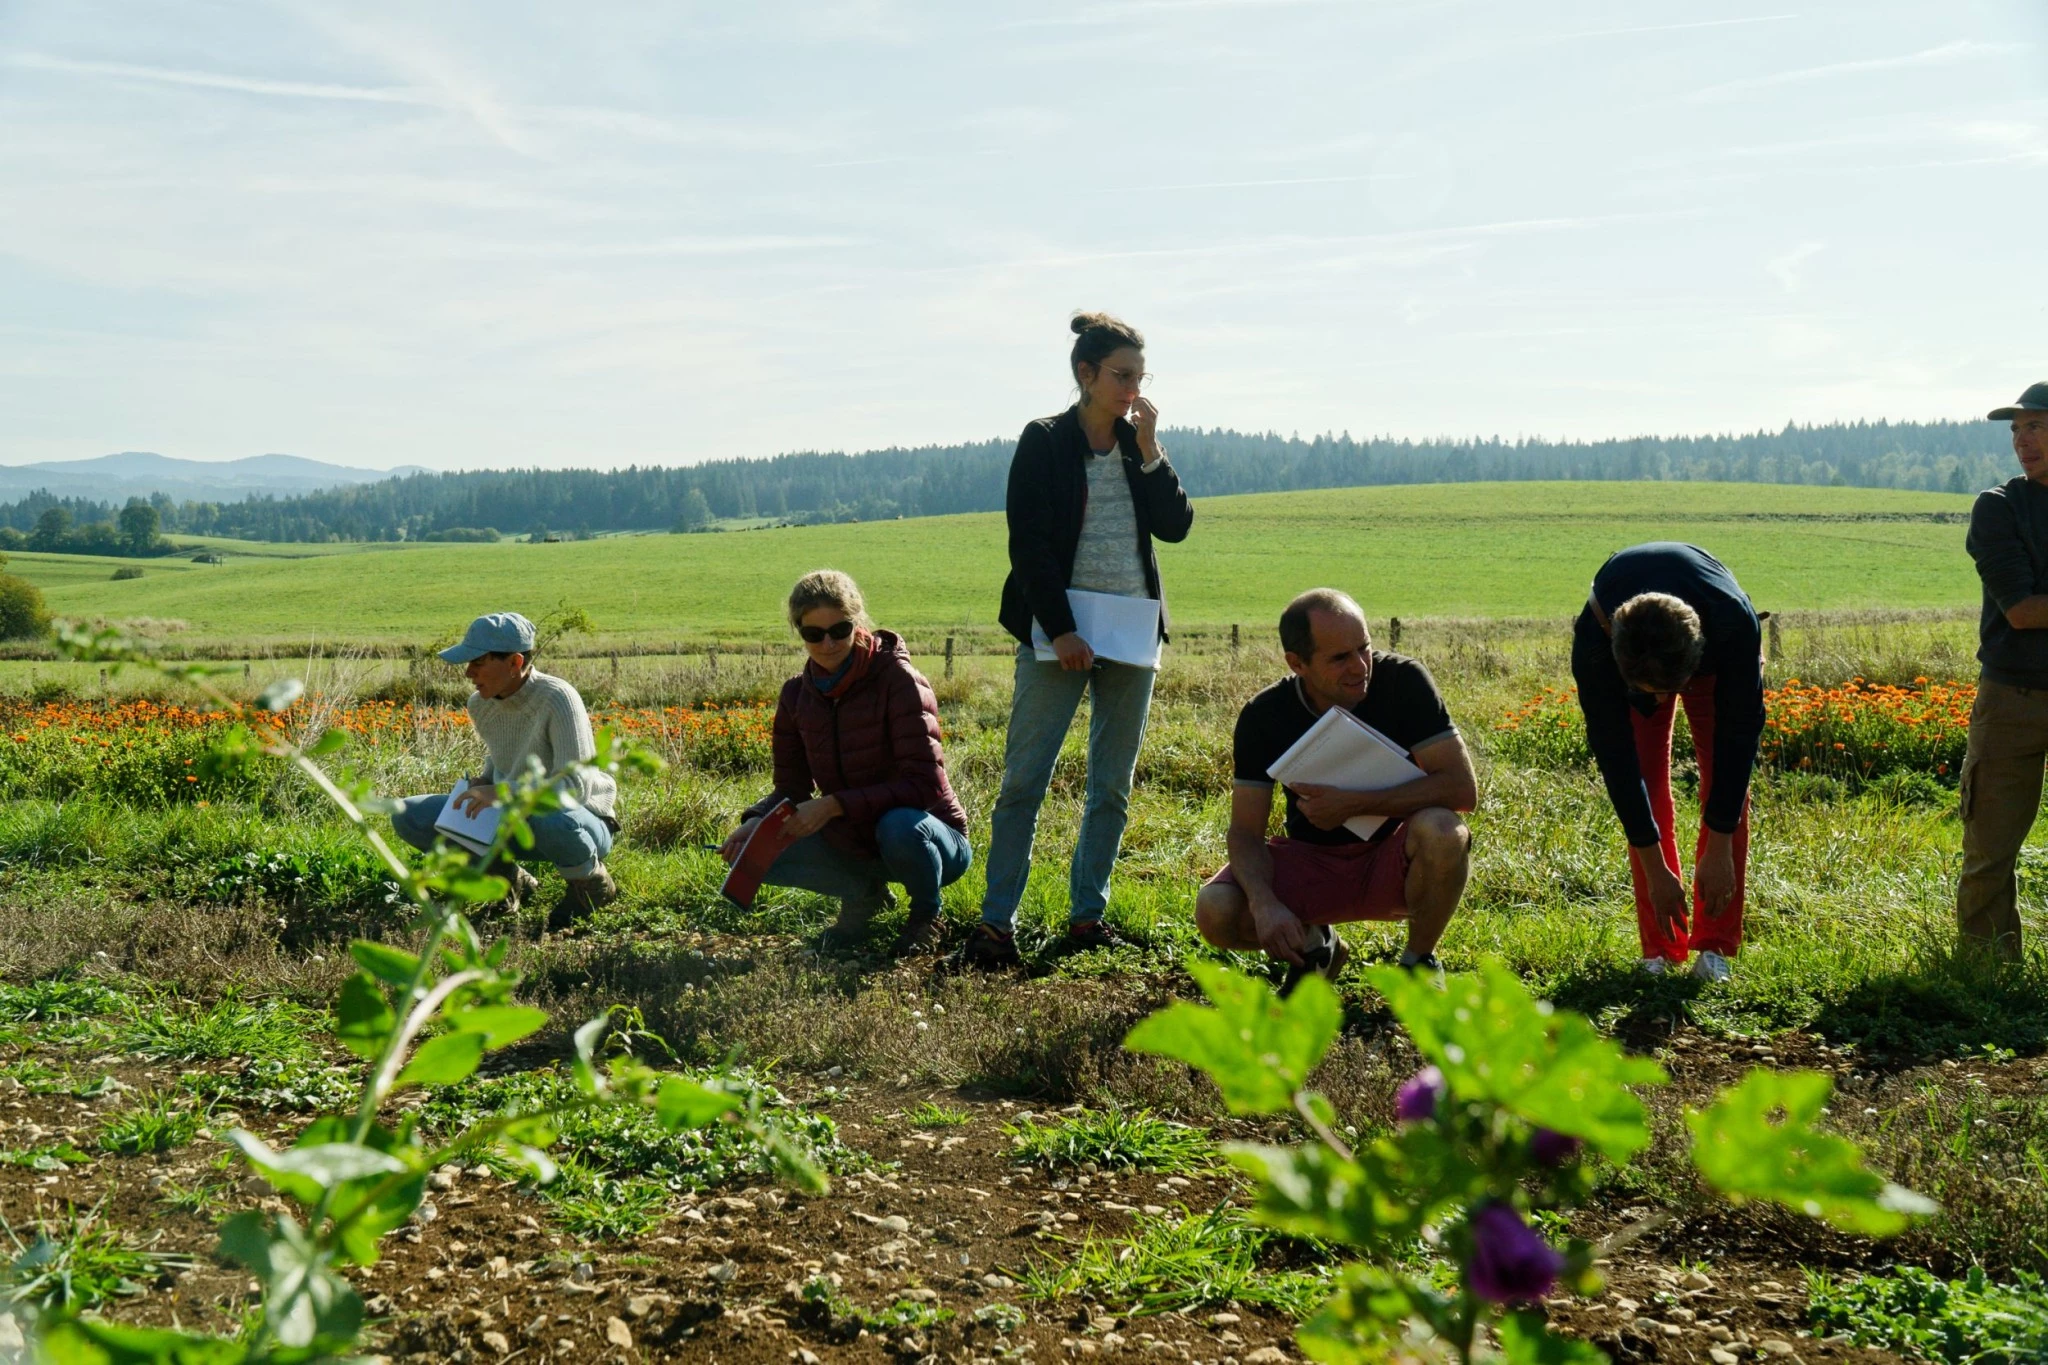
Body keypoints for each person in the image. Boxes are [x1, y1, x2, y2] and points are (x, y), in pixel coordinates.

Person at [953, 311, 1194, 972]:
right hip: (1057, 631)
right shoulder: (1044, 440)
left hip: (1132, 631)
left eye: (1140, 378)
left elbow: (1176, 526)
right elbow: (1027, 545)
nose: (1133, 390)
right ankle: (996, 925)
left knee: (1110, 786)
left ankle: (1088, 917)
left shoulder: (1138, 445)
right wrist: (1060, 631)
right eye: (1121, 376)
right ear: (1085, 374)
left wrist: (1151, 451)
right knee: (1024, 781)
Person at [1194, 590, 1476, 989]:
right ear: (1297, 663)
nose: (1360, 667)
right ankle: (1317, 947)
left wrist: (1356, 804)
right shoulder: (1264, 715)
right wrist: (1264, 903)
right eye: (1339, 658)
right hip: (1313, 862)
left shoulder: (1404, 681)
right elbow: (1244, 832)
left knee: (1445, 831)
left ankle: (1419, 962)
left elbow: (1462, 790)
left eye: (1365, 648)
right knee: (1215, 910)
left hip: (1395, 858)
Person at [725, 570, 972, 957]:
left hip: (931, 838)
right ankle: (864, 896)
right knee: (754, 851)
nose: (827, 643)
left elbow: (924, 785)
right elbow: (791, 789)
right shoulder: (795, 695)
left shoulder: (899, 680)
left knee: (899, 826)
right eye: (813, 634)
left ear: (858, 624)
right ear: (799, 632)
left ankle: (927, 915)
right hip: (854, 841)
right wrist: (755, 822)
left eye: (839, 630)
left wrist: (834, 805)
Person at [1570, 544, 1765, 981]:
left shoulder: (1733, 624)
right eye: (1648, 692)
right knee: (1646, 779)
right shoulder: (1595, 644)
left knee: (1723, 784)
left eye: (1668, 689)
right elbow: (1619, 766)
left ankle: (1714, 948)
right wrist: (1657, 871)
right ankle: (1660, 950)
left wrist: (1719, 849)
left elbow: (1738, 746)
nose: (1660, 703)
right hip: (1627, 647)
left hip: (1715, 652)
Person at [391, 612, 620, 932]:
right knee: (409, 814)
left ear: (514, 662)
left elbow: (574, 786)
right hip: (514, 818)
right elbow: (504, 756)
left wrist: (500, 792)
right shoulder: (480, 703)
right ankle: (507, 881)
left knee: (549, 813)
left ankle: (591, 886)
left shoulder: (558, 698)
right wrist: (485, 781)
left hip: (579, 824)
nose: (469, 672)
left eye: (478, 662)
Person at [1956, 382, 2048, 962]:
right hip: (2011, 699)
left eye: (2034, 426)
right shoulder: (1999, 507)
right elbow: (2021, 611)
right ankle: (1987, 978)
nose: (2021, 440)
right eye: (2016, 430)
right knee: (1990, 851)